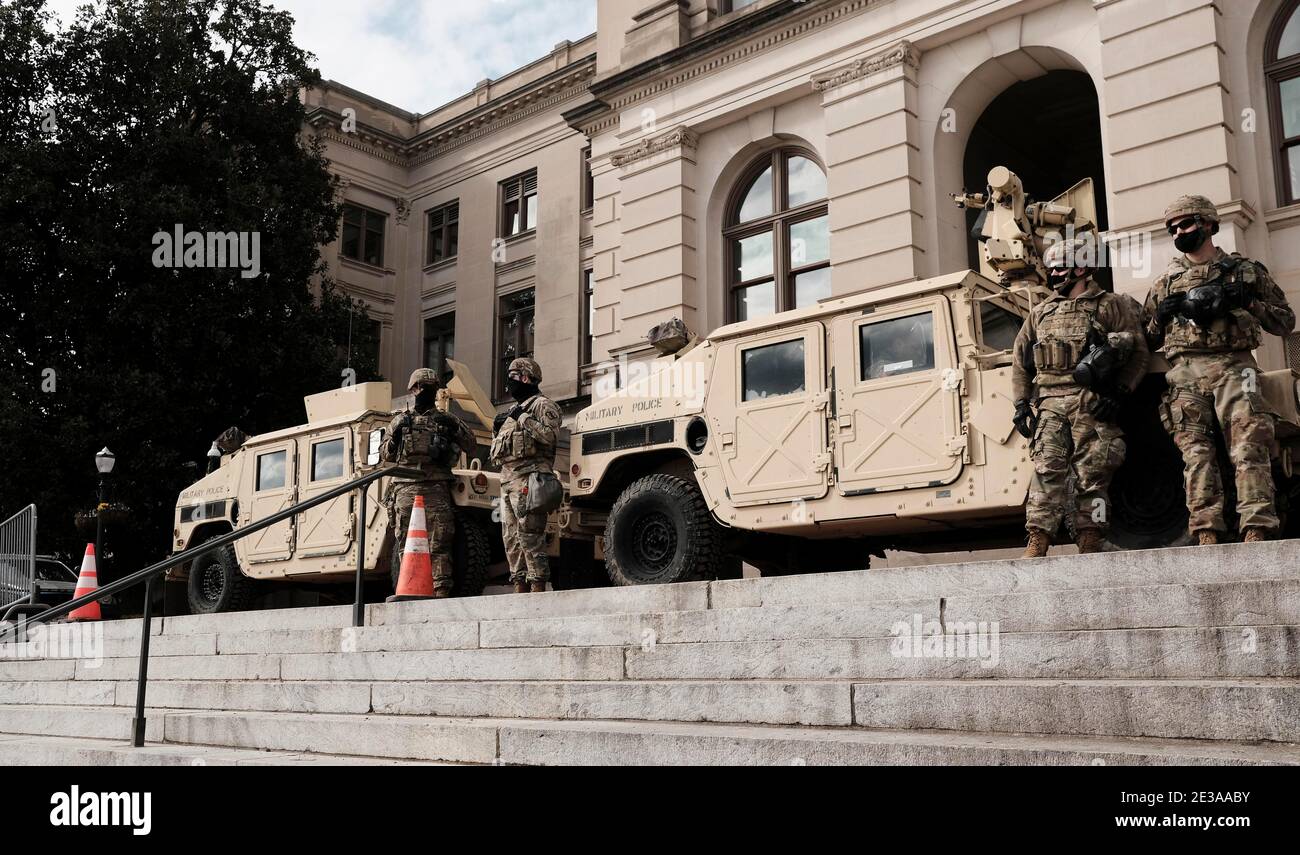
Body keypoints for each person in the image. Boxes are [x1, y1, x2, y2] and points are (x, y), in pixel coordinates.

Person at [1142, 195, 1295, 544]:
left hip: (1234, 366)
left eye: (1187, 224)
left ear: (1209, 224)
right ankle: (1206, 529)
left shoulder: (1245, 271)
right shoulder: (1165, 281)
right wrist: (1159, 318)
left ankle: (1256, 524)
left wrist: (1248, 301)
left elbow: (1285, 323)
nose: (1180, 231)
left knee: (1248, 446)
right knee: (1195, 454)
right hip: (1184, 373)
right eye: (1173, 228)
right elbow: (1148, 341)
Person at [1012, 236, 1150, 557]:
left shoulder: (1110, 305)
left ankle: (1091, 537)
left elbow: (1139, 353)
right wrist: (1021, 403)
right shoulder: (1040, 312)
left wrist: (1120, 391)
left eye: (1061, 269)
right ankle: (1038, 539)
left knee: (1094, 474)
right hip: (1048, 404)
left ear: (1082, 268)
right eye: (1051, 269)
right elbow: (1021, 362)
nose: (1054, 275)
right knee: (1046, 472)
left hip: (1089, 401)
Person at [382, 367, 475, 598]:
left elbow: (471, 444)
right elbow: (385, 454)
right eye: (423, 387)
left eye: (432, 388)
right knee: (405, 540)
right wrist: (394, 440)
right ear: (413, 389)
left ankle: (440, 589)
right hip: (405, 486)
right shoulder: (400, 420)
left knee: (440, 540)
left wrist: (453, 427)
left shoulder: (447, 419)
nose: (428, 392)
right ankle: (409, 587)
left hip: (435, 486)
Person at [490, 357, 561, 593]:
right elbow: (497, 453)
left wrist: (523, 417)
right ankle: (519, 584)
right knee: (510, 538)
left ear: (525, 377)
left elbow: (549, 436)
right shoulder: (510, 411)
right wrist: (497, 427)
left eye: (512, 377)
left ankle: (538, 585)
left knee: (530, 534)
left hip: (531, 479)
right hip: (507, 481)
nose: (509, 384)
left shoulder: (542, 405)